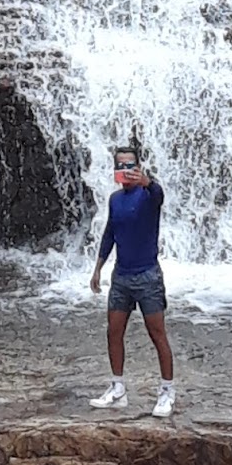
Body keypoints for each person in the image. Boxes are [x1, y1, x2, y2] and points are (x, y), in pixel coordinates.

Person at [89, 142, 175, 417]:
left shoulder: (148, 195)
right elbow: (109, 233)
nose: (125, 170)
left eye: (130, 165)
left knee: (157, 334)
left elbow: (159, 194)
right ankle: (118, 389)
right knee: (113, 332)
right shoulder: (115, 199)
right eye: (120, 165)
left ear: (138, 168)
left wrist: (147, 181)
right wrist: (98, 268)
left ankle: (167, 391)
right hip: (121, 276)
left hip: (147, 275)